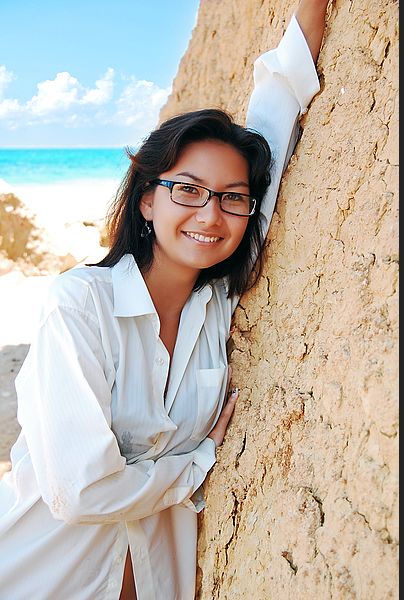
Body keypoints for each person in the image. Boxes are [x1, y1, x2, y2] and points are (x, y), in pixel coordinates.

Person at [0, 1, 328, 598]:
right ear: (147, 200)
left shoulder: (220, 304)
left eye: (232, 198)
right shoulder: (81, 305)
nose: (211, 214)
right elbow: (79, 489)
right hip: (35, 578)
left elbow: (276, 113)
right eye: (188, 190)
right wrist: (195, 463)